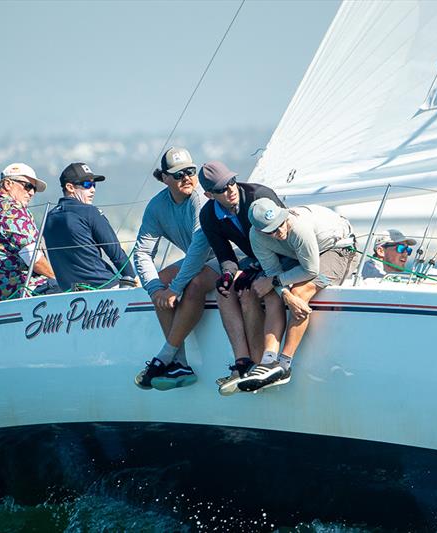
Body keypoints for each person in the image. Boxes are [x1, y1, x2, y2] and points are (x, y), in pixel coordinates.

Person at [133, 147, 236, 391]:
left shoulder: (200, 198)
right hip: (200, 258)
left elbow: (200, 248)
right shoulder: (157, 206)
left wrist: (175, 289)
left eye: (190, 171)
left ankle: (166, 356)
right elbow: (141, 252)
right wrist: (156, 289)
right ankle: (180, 364)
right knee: (160, 281)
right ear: (164, 178)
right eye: (179, 175)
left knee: (195, 283)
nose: (187, 178)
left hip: (229, 254)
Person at [237, 198, 358, 392]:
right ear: (260, 231)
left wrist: (285, 291)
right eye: (273, 230)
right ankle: (268, 362)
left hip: (337, 249)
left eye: (281, 224)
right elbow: (271, 272)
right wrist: (282, 292)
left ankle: (284, 366)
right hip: (300, 254)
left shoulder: (298, 227)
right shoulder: (256, 236)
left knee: (299, 293)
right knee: (271, 295)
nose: (280, 231)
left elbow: (310, 270)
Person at [197, 160, 286, 395]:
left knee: (249, 294)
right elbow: (225, 255)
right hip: (256, 262)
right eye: (222, 189)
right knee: (224, 291)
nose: (231, 190)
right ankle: (243, 362)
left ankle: (263, 365)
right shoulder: (208, 215)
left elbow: (283, 237)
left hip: (282, 259)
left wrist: (262, 272)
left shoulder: (259, 196)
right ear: (209, 194)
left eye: (232, 182)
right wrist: (227, 275)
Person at [0, 163, 58, 303]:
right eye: (28, 186)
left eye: (34, 189)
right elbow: (32, 256)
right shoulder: (11, 210)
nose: (31, 193)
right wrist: (59, 278)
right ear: (7, 184)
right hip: (24, 292)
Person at [43, 162, 135, 291]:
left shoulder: (48, 218)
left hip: (69, 292)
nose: (93, 189)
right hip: (104, 287)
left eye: (94, 184)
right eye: (87, 184)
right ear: (70, 187)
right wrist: (132, 279)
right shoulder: (90, 212)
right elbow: (116, 254)